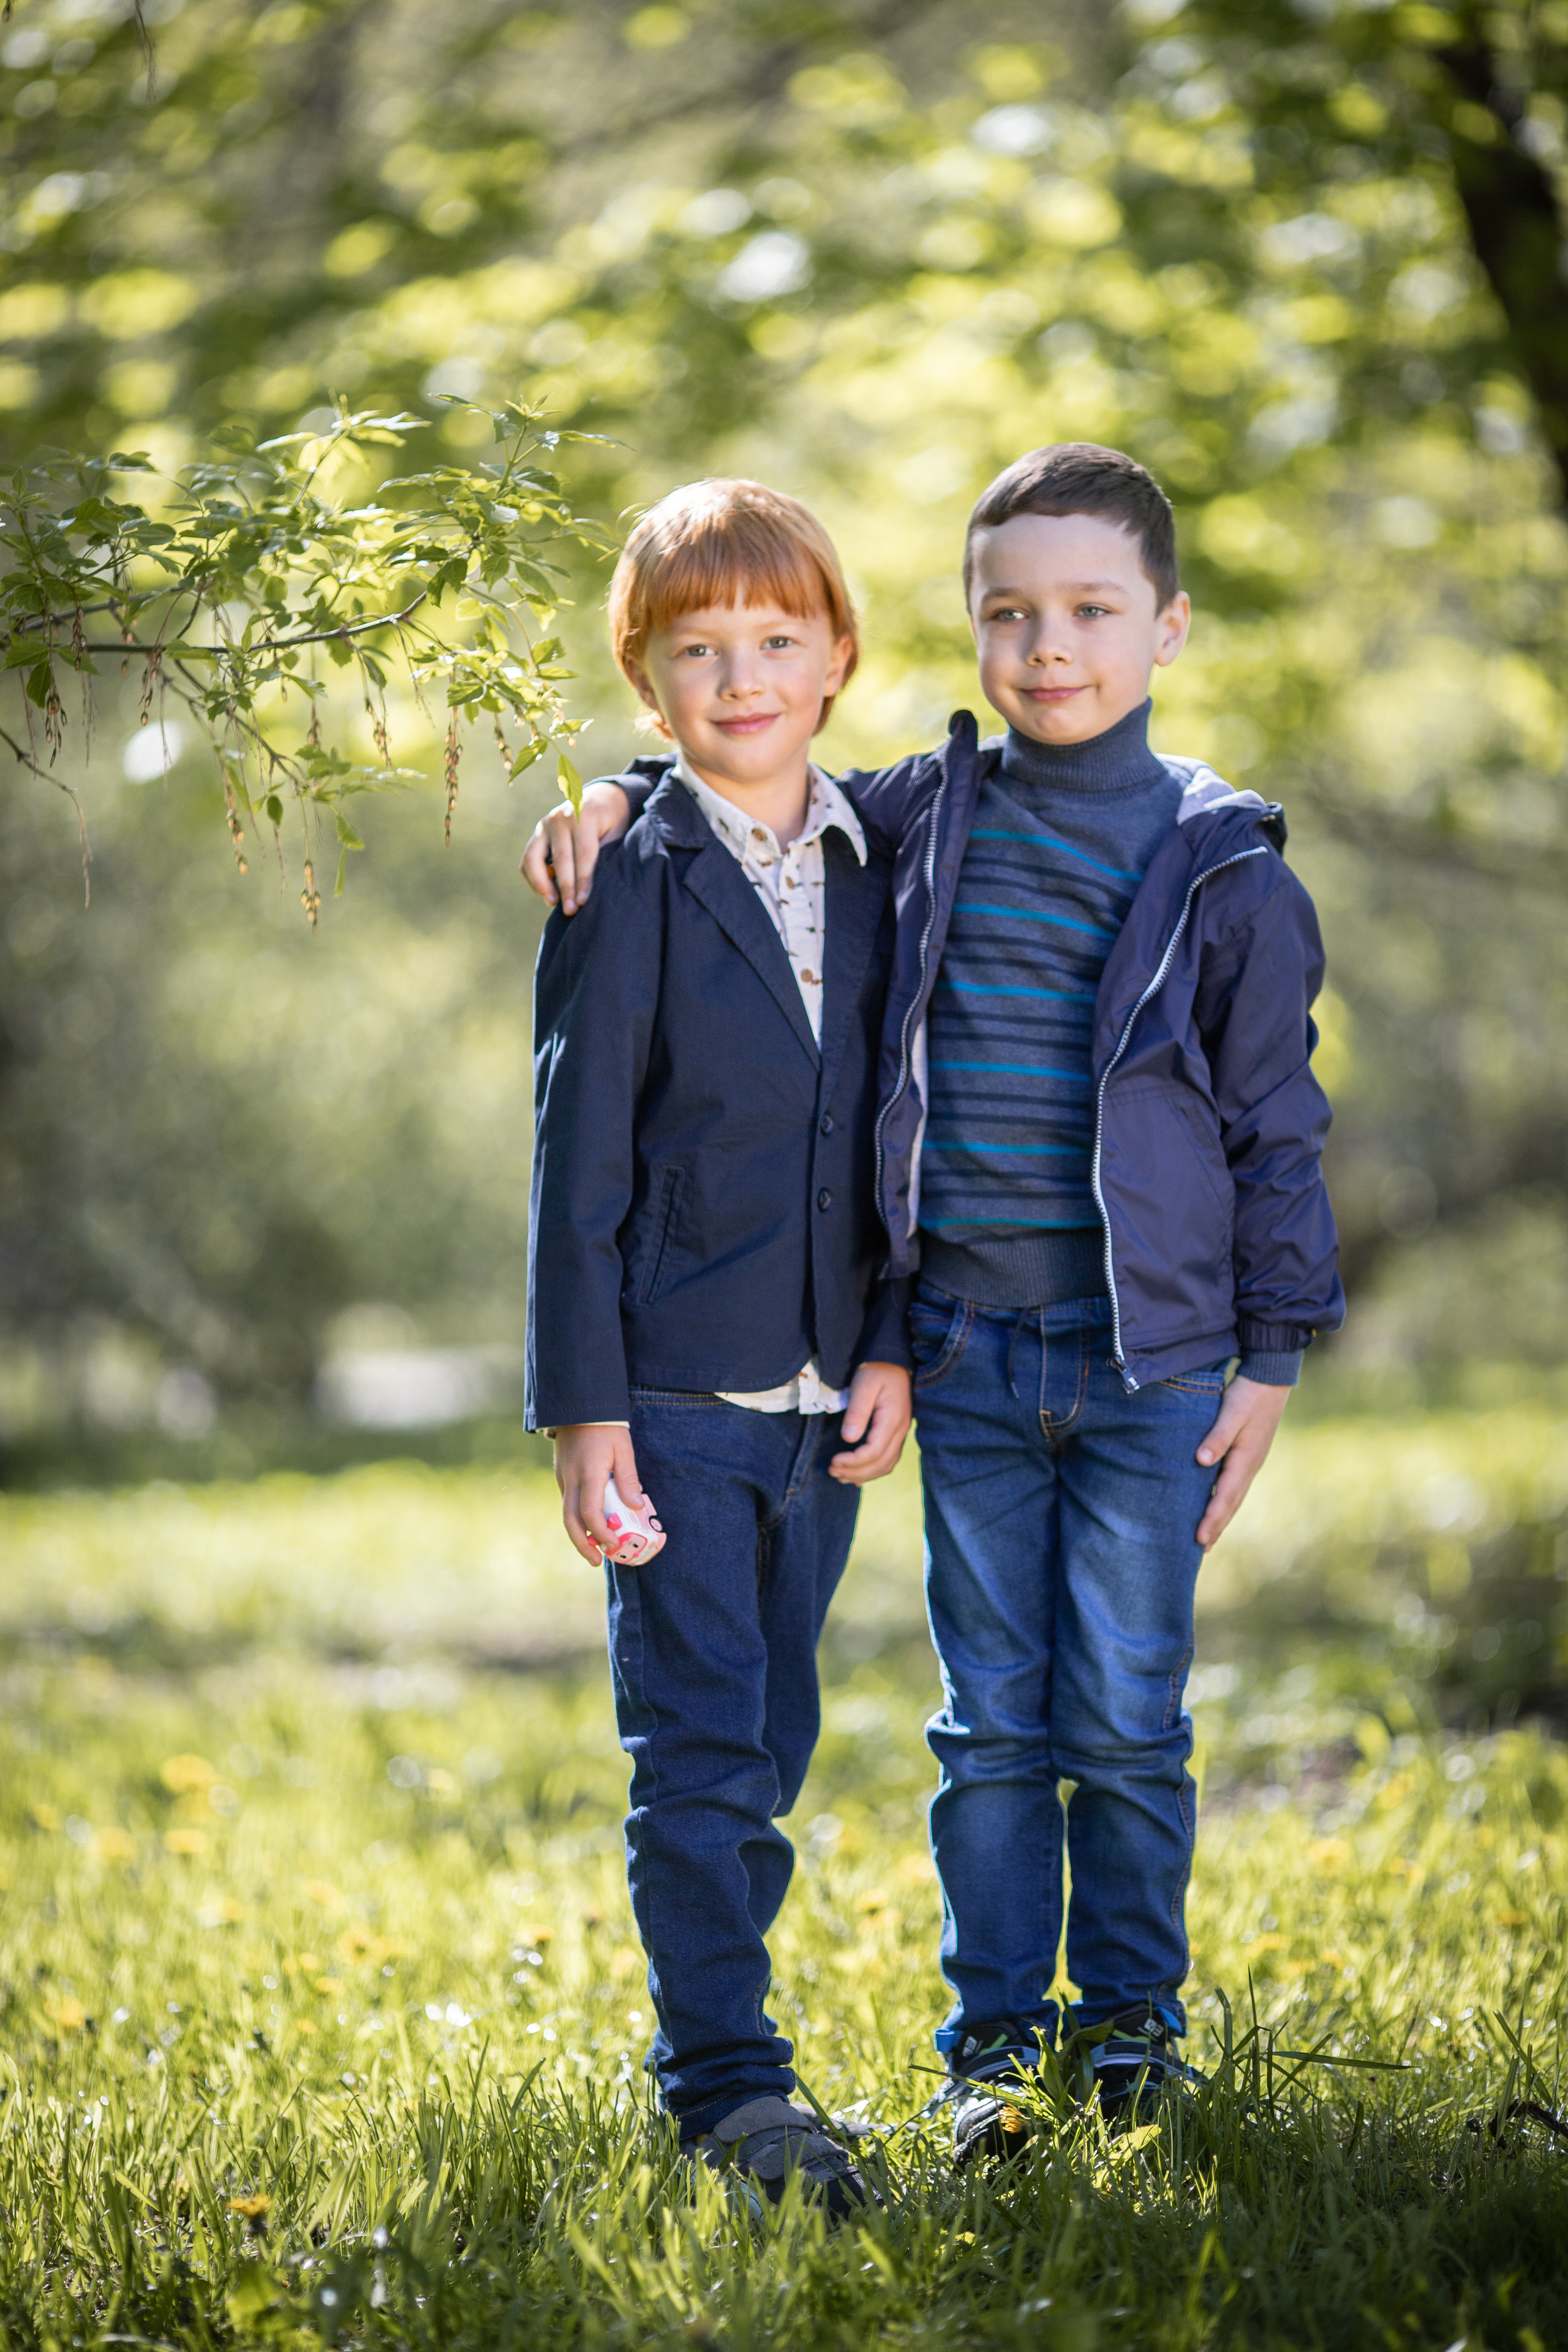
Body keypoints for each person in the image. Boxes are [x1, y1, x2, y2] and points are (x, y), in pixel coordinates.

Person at [524, 442, 1344, 2162]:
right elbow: (714, 803)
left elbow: (1274, 1122)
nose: (1050, 647)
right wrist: (607, 796)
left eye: (1092, 612)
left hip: (1077, 1365)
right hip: (887, 1360)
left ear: (1167, 627)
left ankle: (1123, 2050)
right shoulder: (913, 814)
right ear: (964, 631)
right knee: (954, 1734)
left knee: (1114, 1715)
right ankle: (913, 2070)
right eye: (1012, 615)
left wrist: (1269, 1350)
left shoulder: (1172, 859)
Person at [525, 477, 913, 2217]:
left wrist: (894, 1342)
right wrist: (582, 1410)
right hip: (675, 1392)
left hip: (830, 1395)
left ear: (836, 654)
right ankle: (728, 2090)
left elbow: (909, 1132)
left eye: (775, 639)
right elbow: (575, 1154)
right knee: (696, 1749)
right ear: (647, 673)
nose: (740, 676)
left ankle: (720, 2037)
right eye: (697, 650)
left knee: (774, 1738)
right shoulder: (625, 871)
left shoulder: (897, 853)